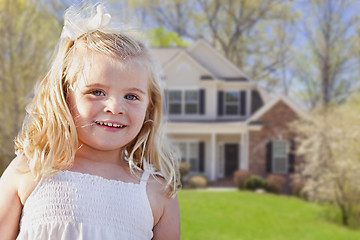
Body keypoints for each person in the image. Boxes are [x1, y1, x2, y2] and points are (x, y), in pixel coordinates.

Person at [0, 4, 181, 240]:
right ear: (64, 97)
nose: (114, 107)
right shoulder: (30, 170)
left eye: (131, 96)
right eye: (97, 92)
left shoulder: (157, 192)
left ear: (150, 106)